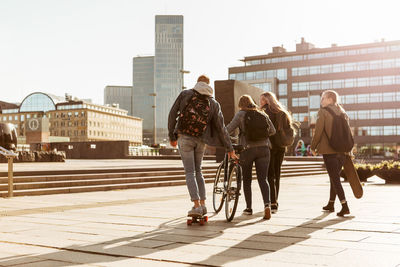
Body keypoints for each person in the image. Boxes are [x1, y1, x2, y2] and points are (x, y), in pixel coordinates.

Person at [168, 75, 237, 217]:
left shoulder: (186, 94)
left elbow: (172, 113)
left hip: (185, 137)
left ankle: (196, 206)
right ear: (208, 84)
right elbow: (221, 127)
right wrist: (229, 148)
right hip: (201, 140)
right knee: (198, 171)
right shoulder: (213, 103)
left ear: (198, 82)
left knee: (189, 172)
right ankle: (204, 205)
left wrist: (172, 135)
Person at [226, 95, 276, 219]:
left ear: (241, 105)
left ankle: (248, 208)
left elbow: (228, 129)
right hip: (264, 149)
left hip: (247, 149)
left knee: (247, 180)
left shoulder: (241, 114)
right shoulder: (262, 114)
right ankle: (267, 205)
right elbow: (273, 131)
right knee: (263, 179)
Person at [311, 90, 350, 216]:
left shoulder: (323, 112)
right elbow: (348, 133)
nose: (321, 101)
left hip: (329, 151)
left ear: (330, 99)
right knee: (334, 177)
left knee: (334, 178)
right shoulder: (343, 112)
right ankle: (331, 203)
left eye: (323, 98)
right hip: (342, 151)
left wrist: (313, 147)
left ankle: (345, 206)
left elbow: (318, 131)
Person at [260, 91, 296, 213]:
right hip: (281, 146)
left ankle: (272, 202)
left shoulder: (264, 112)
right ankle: (275, 201)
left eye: (262, 100)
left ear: (267, 101)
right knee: (277, 174)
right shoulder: (283, 112)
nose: (260, 102)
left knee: (270, 174)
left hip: (269, 147)